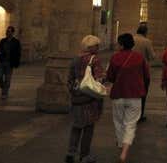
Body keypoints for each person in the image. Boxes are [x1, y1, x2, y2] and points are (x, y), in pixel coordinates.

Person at [106, 33, 151, 163]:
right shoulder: (139, 58)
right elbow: (146, 76)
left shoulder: (115, 58)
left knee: (118, 122)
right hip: (135, 95)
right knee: (130, 124)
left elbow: (110, 77)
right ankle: (124, 152)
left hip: (118, 94)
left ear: (121, 44)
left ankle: (121, 145)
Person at [66, 35, 104, 163]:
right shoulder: (95, 60)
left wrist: (74, 93)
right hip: (90, 100)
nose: (98, 48)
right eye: (96, 45)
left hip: (77, 99)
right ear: (90, 47)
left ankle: (70, 153)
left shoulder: (75, 59)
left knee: (76, 127)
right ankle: (84, 155)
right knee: (88, 128)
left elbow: (69, 79)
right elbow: (99, 79)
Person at [133, 23, 155, 122]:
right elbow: (152, 56)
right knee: (142, 93)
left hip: (131, 70)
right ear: (146, 32)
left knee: (132, 93)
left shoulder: (131, 39)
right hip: (143, 71)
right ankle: (140, 115)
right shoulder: (147, 41)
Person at [0, 25, 21, 99]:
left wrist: (16, 62)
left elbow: (18, 53)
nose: (7, 33)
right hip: (2, 62)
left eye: (9, 31)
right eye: (7, 31)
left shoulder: (16, 42)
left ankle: (4, 93)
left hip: (10, 63)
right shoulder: (2, 40)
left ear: (12, 33)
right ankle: (4, 88)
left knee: (7, 79)